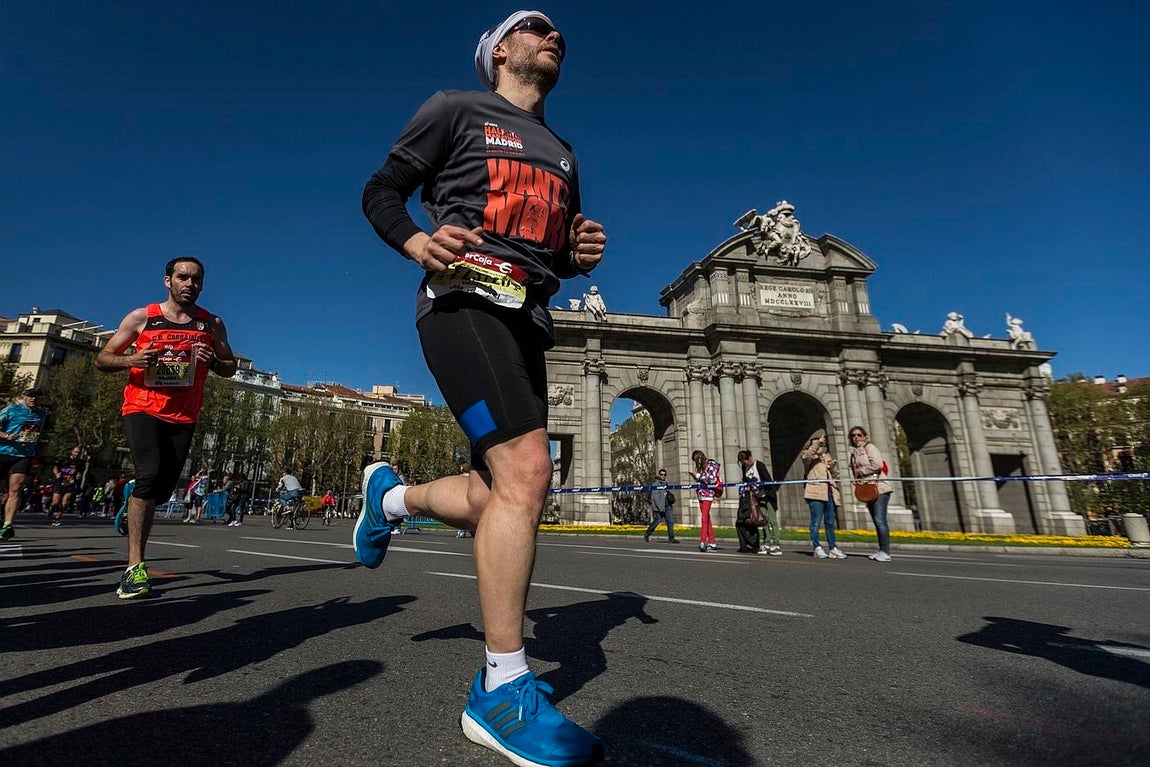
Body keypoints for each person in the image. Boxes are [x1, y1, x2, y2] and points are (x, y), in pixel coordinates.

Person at [358, 11, 606, 765]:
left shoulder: (562, 151)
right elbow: (382, 190)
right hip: (461, 302)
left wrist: (576, 253)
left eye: (558, 30)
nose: (553, 33)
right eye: (536, 26)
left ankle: (391, 498)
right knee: (529, 470)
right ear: (501, 51)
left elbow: (552, 255)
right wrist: (418, 242)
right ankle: (499, 686)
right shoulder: (455, 108)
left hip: (527, 315)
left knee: (496, 487)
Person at [95, 255, 237, 598]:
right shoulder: (143, 317)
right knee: (148, 475)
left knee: (161, 488)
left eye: (197, 279)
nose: (190, 284)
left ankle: (135, 499)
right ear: (168, 281)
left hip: (183, 415)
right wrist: (132, 359)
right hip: (142, 407)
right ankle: (134, 569)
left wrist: (215, 362)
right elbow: (103, 358)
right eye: (183, 277)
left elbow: (230, 366)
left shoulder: (211, 324)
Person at [0, 388, 48, 541]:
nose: (33, 399)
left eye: (37, 396)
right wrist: (7, 435)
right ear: (24, 397)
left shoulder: (42, 415)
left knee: (16, 489)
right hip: (3, 452)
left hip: (24, 455)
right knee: (2, 492)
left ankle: (7, 524)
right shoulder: (11, 409)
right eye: (30, 396)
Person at [848, 425, 893, 562]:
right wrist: (854, 480)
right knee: (877, 521)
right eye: (853, 435)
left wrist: (861, 472)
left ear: (865, 436)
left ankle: (885, 552)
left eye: (859, 435)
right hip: (867, 489)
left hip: (879, 489)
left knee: (880, 520)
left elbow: (878, 465)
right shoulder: (853, 452)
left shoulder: (870, 448)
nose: (856, 437)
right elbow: (852, 469)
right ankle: (881, 550)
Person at [802, 434, 846, 559]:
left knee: (830, 522)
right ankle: (817, 547)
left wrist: (832, 468)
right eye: (818, 445)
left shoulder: (827, 457)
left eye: (822, 445)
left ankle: (833, 548)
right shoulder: (808, 457)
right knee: (816, 522)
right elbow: (807, 456)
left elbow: (836, 475)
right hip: (815, 493)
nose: (821, 447)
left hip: (830, 493)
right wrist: (817, 444)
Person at [737, 449, 780, 555]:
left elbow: (768, 481)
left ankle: (775, 543)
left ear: (750, 457)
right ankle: (766, 542)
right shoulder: (744, 467)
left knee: (772, 519)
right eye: (743, 463)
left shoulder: (759, 465)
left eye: (746, 461)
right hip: (756, 498)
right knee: (762, 520)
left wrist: (757, 485)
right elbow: (745, 480)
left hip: (767, 495)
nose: (746, 464)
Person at [689, 449, 721, 552]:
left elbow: (711, 479)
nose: (696, 463)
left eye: (696, 460)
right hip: (701, 494)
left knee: (704, 518)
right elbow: (702, 479)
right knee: (707, 519)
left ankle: (703, 541)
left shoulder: (711, 464)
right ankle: (712, 542)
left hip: (708, 494)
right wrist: (696, 477)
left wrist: (698, 476)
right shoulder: (700, 467)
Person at [49, 445, 85, 527]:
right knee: (55, 502)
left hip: (71, 484)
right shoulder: (64, 460)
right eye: (75, 452)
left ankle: (57, 518)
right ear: (72, 452)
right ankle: (52, 508)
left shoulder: (81, 463)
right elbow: (55, 468)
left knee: (64, 503)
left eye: (79, 453)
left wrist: (78, 476)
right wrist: (56, 474)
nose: (77, 454)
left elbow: (80, 472)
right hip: (60, 482)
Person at [644, 468, 678, 543]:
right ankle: (647, 533)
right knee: (657, 521)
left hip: (667, 506)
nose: (663, 476)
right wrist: (660, 508)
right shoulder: (655, 484)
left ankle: (671, 539)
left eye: (664, 475)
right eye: (661, 474)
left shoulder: (666, 484)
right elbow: (656, 498)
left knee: (670, 522)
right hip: (659, 508)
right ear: (659, 475)